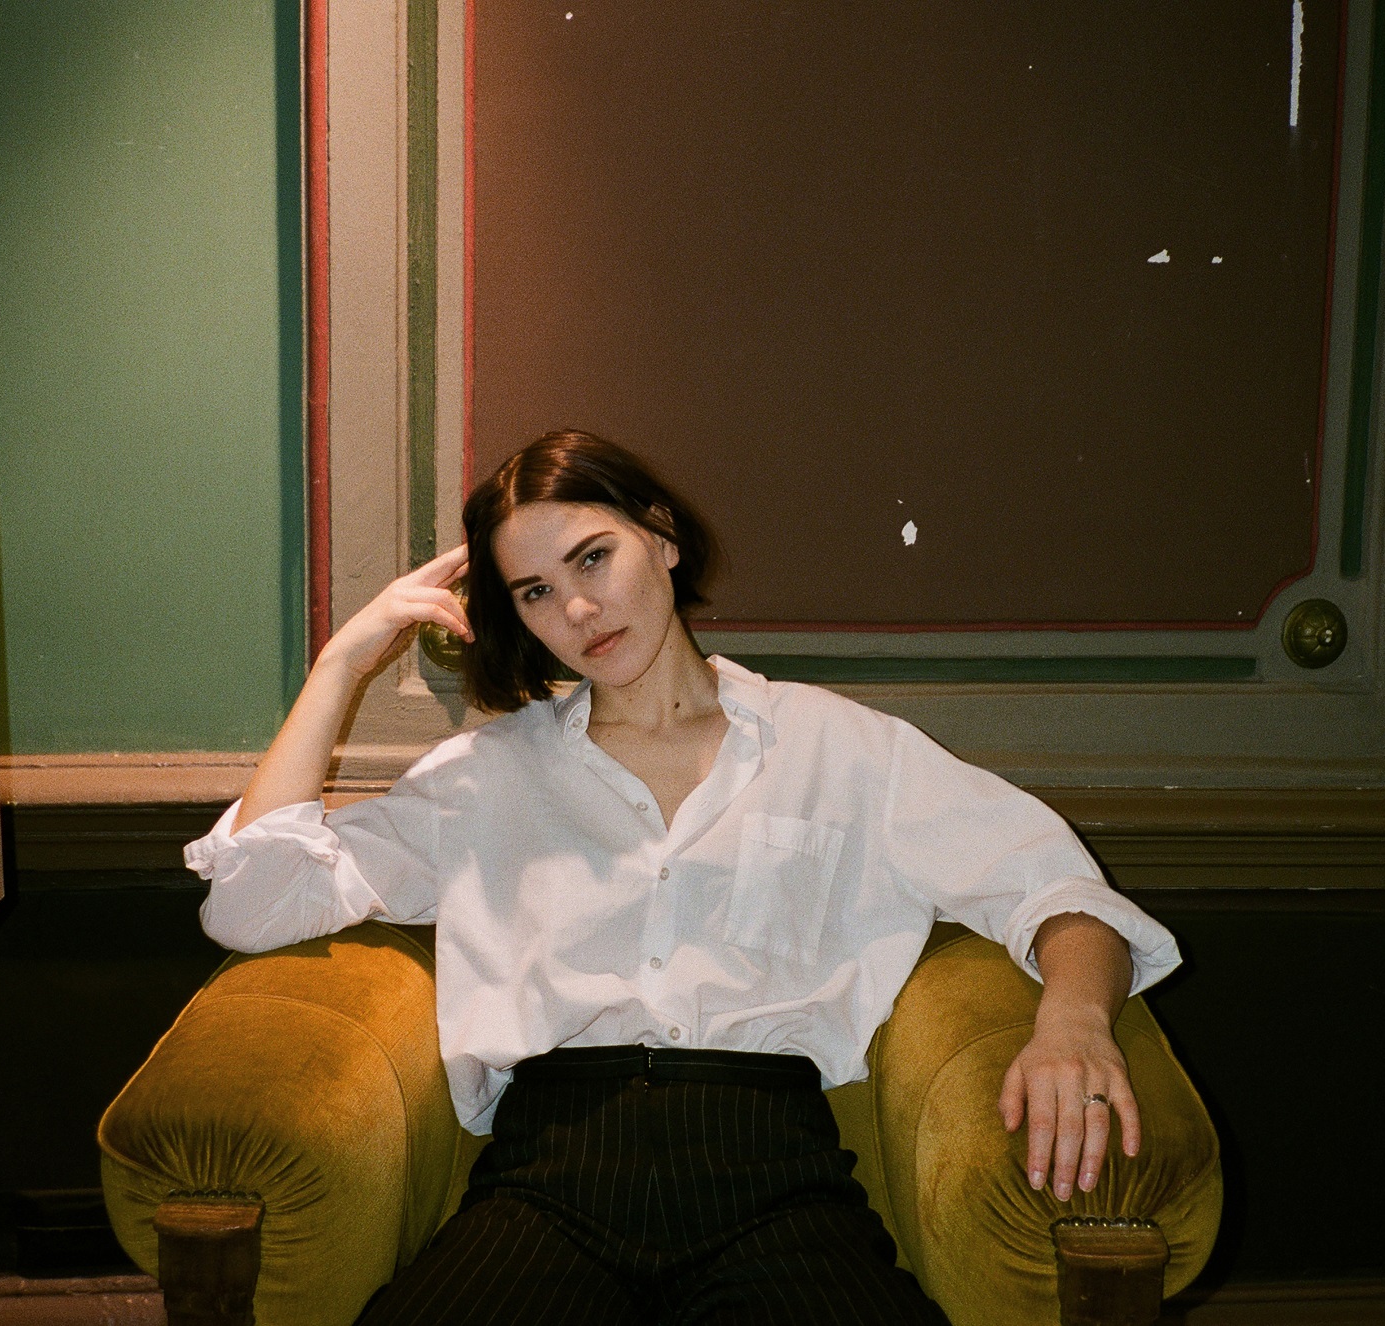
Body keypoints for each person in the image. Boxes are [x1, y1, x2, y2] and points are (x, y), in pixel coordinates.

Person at [185, 431, 1180, 1325]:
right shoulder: (490, 776)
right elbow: (254, 899)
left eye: (591, 558)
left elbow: (1051, 887)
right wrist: (341, 664)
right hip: (546, 1178)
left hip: (772, 1176)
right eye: (534, 592)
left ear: (658, 537)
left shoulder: (840, 748)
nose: (575, 608)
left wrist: (1074, 1022)